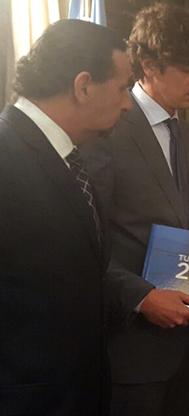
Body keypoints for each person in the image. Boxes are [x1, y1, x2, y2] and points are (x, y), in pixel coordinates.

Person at [82, 4, 189, 416]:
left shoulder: (186, 133)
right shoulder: (106, 128)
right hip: (129, 346)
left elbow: (170, 214)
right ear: (149, 66)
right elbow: (83, 240)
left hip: (183, 344)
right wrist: (141, 298)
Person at [0, 20, 132, 415]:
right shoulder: (6, 156)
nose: (128, 104)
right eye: (123, 88)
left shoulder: (69, 157)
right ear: (84, 86)